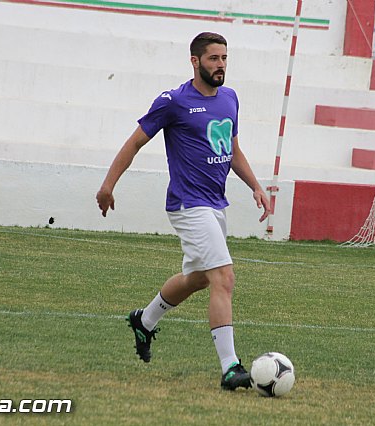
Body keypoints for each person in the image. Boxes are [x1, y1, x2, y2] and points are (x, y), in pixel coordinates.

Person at [96, 32, 270, 391]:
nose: (220, 65)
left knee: (198, 279)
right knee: (224, 277)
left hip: (215, 204)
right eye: (213, 59)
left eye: (224, 58)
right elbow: (134, 143)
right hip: (189, 205)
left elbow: (232, 149)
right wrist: (108, 185)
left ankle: (144, 321)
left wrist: (255, 185)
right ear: (195, 61)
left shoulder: (230, 98)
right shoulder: (173, 101)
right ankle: (230, 368)